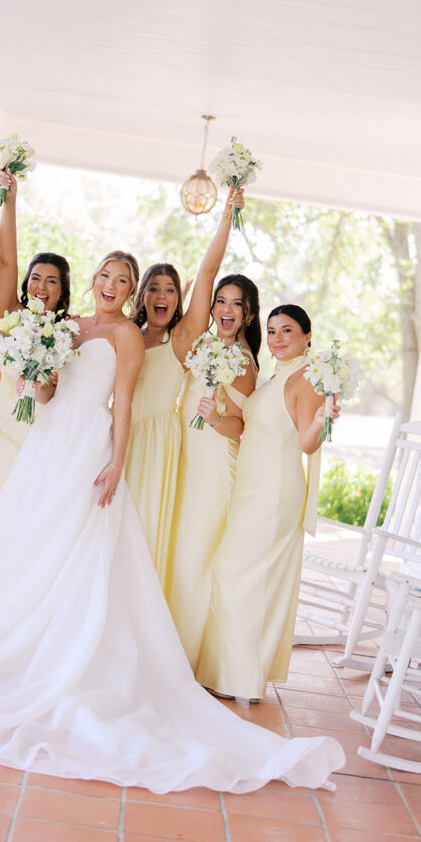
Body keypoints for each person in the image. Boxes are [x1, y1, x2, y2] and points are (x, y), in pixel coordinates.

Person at [0, 254, 344, 794]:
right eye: (106, 277)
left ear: (129, 291)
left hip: (91, 441)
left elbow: (123, 403)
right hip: (52, 438)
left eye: (123, 281)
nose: (112, 286)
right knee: (28, 536)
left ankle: (61, 648)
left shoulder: (127, 336)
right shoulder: (68, 326)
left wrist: (117, 461)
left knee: (77, 542)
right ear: (93, 281)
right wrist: (35, 374)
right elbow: (47, 392)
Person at [197, 304, 336, 701]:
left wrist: (323, 421)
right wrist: (214, 417)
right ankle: (233, 674)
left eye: (287, 330)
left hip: (274, 492)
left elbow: (307, 443)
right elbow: (249, 428)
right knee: (238, 575)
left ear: (307, 336)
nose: (276, 338)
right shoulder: (279, 375)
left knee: (238, 573)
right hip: (252, 489)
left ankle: (241, 679)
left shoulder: (306, 379)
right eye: (272, 330)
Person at [125, 187, 245, 591]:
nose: (162, 295)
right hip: (117, 434)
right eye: (154, 287)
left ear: (180, 298)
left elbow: (208, 271)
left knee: (140, 527)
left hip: (156, 440)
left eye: (170, 289)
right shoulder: (127, 334)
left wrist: (226, 215)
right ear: (142, 294)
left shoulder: (181, 337)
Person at [166, 271, 260, 671]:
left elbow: (238, 426)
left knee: (194, 558)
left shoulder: (242, 361)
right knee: (175, 550)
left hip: (214, 465)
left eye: (236, 304)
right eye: (221, 301)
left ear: (248, 315)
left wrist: (215, 417)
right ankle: (161, 642)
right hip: (185, 456)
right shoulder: (204, 343)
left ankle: (183, 656)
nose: (226, 310)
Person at [0, 172, 71, 518]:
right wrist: (10, 201)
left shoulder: (67, 334)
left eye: (51, 281)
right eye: (35, 278)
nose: (41, 287)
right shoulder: (10, 316)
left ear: (62, 290)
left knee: (32, 513)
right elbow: (7, 260)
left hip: (46, 434)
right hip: (7, 425)